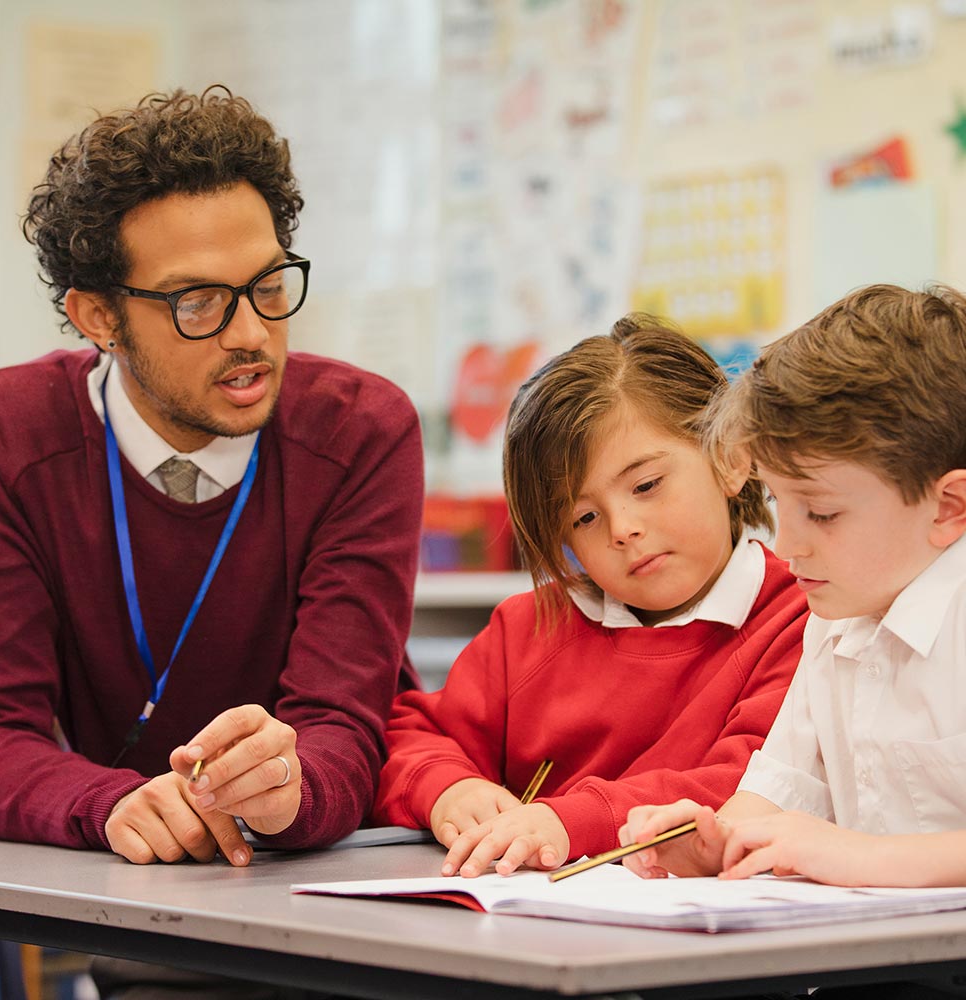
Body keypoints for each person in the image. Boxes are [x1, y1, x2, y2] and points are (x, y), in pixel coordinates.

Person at [0, 86, 423, 998]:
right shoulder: (1, 438)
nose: (252, 334)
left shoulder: (361, 431)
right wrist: (111, 803)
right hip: (141, 900)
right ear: (98, 317)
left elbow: (343, 722)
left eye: (268, 285)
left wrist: (291, 783)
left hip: (335, 897)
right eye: (198, 302)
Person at [619, 284, 966, 999]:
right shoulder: (836, 617)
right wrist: (713, 842)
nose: (788, 543)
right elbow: (779, 797)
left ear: (949, 507)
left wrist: (861, 857)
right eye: (780, 501)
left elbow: (845, 853)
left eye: (823, 512)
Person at [371, 314, 808, 878]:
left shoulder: (800, 616)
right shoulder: (530, 627)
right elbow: (413, 737)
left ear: (729, 457)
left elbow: (758, 784)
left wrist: (570, 820)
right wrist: (449, 789)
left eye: (646, 485)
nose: (622, 529)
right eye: (584, 517)